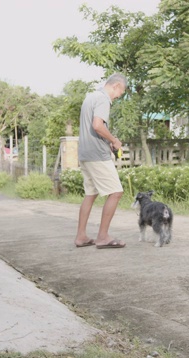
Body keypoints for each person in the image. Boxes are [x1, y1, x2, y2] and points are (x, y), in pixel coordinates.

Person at [74, 73, 127, 249]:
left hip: (85, 154)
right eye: (120, 92)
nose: (118, 97)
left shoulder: (90, 97)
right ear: (116, 86)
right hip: (97, 155)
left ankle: (81, 236)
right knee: (116, 192)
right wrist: (114, 141)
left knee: (91, 194)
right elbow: (97, 125)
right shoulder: (103, 99)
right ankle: (103, 236)